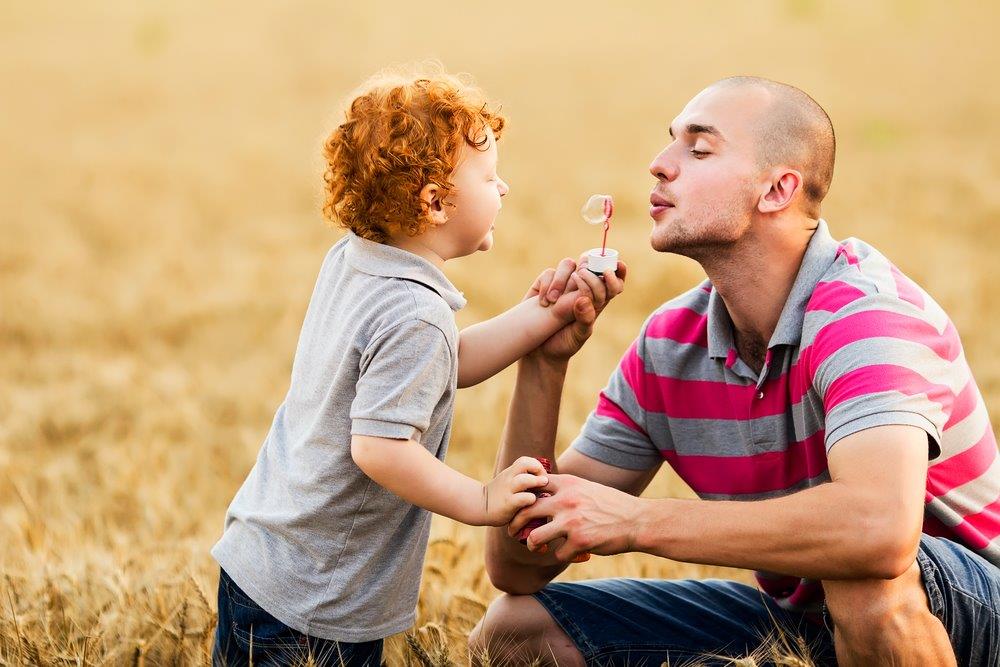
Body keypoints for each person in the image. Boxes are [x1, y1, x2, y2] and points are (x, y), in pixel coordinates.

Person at [471, 76, 999, 666]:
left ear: (777, 189)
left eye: (698, 149)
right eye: (670, 143)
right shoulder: (670, 345)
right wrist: (545, 365)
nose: (658, 166)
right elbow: (518, 566)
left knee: (858, 577)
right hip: (811, 617)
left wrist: (638, 521)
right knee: (517, 631)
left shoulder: (866, 315)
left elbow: (878, 532)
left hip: (968, 610)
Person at [210, 66, 625, 666]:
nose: (503, 189)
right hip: (315, 600)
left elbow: (439, 365)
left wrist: (541, 315)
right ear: (434, 202)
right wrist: (482, 501)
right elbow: (379, 448)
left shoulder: (357, 263)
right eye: (489, 177)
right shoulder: (416, 317)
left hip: (267, 561)